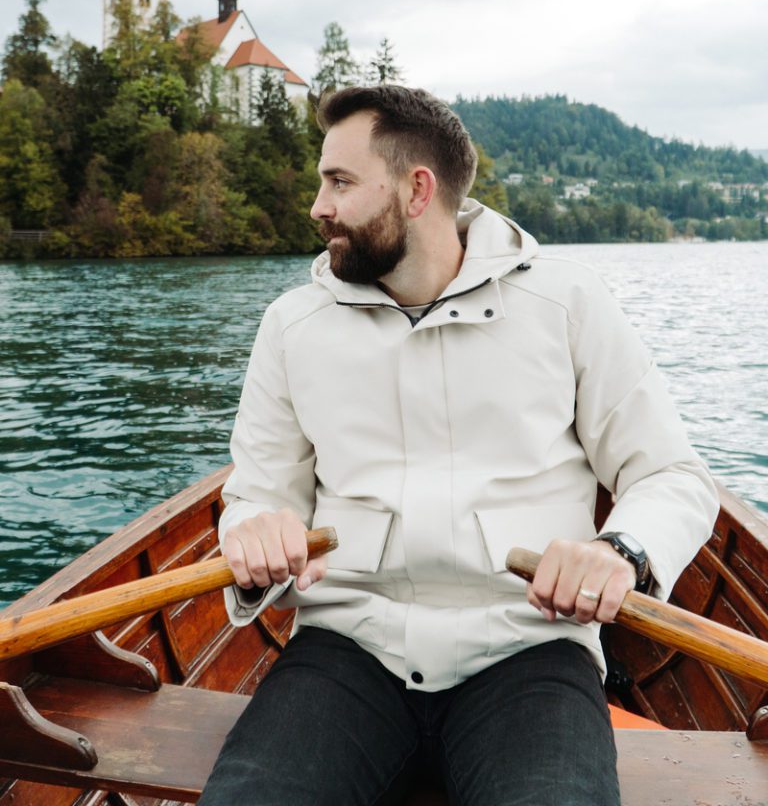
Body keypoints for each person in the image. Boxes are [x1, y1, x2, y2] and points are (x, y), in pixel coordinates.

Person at [199, 85, 718, 806]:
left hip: (529, 649)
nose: (318, 205)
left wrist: (617, 553)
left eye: (340, 182)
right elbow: (258, 494)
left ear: (417, 190)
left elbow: (672, 475)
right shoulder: (293, 325)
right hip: (348, 651)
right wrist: (253, 540)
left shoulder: (565, 304)